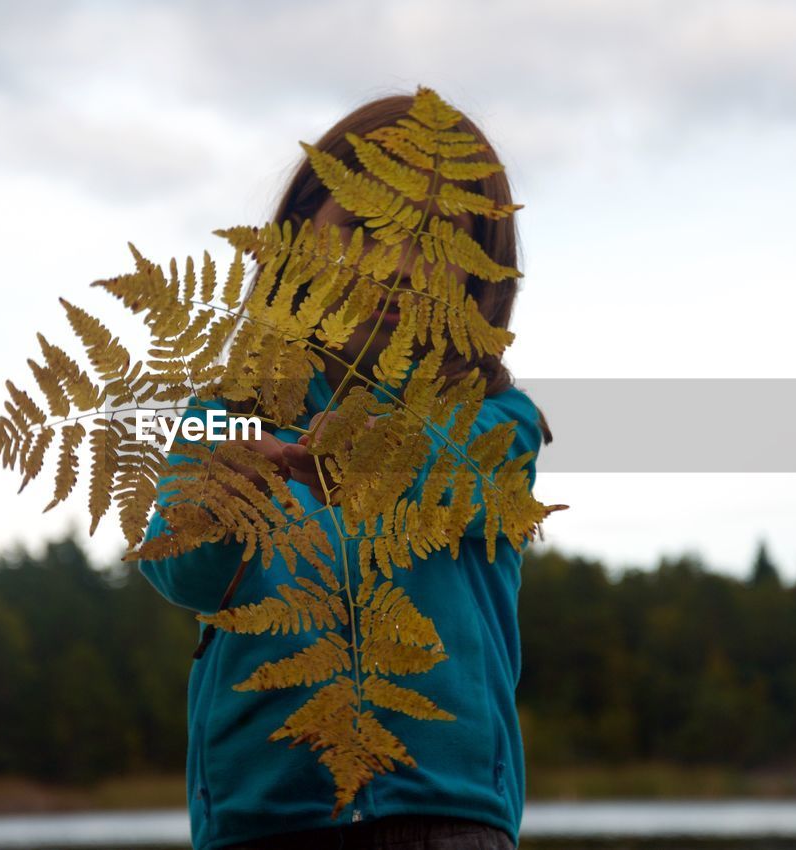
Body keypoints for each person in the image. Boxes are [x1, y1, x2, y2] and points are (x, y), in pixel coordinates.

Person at [138, 92, 552, 850]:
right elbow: (183, 573)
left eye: (433, 243)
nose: (396, 266)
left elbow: (457, 470)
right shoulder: (232, 407)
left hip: (447, 818)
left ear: (477, 274)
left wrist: (368, 445)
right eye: (361, 230)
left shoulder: (497, 416)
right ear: (299, 239)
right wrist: (230, 493)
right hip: (256, 820)